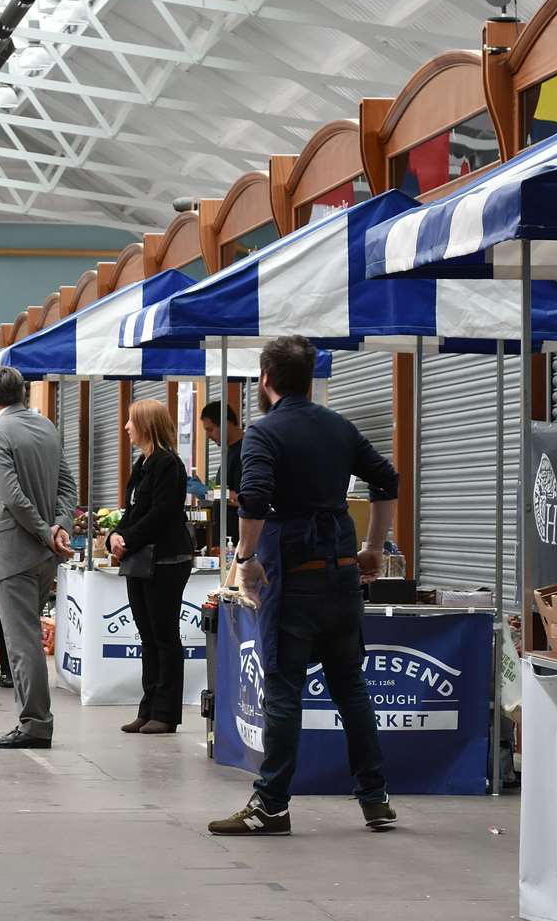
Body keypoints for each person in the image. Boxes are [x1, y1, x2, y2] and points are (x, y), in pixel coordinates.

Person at [208, 336, 399, 837]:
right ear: (310, 378)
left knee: (285, 690)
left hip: (291, 577)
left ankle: (271, 805)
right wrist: (375, 547)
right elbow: (387, 479)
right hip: (339, 572)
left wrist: (245, 560)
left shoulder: (263, 433)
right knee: (350, 687)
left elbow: (253, 499)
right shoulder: (339, 427)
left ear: (266, 380)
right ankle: (374, 797)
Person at [0, 366, 76, 749]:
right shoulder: (46, 426)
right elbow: (67, 484)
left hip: (15, 549)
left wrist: (43, 529)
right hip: (43, 553)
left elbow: (11, 494)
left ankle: (35, 722)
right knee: (27, 637)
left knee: (23, 643)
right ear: (23, 392)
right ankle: (32, 718)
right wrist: (59, 526)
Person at [109, 399, 194, 735]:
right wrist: (114, 535)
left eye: (131, 421)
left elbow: (162, 513)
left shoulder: (168, 464)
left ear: (145, 425)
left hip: (167, 560)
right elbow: (133, 509)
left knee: (164, 635)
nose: (127, 427)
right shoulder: (142, 464)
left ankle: (167, 712)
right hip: (141, 560)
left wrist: (126, 538)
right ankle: (148, 706)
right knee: (147, 634)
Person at [200, 401, 244, 542]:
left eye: (210, 429)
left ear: (225, 423)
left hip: (236, 540)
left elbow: (243, 499)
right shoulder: (228, 451)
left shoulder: (245, 452)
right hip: (223, 542)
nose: (208, 436)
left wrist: (212, 493)